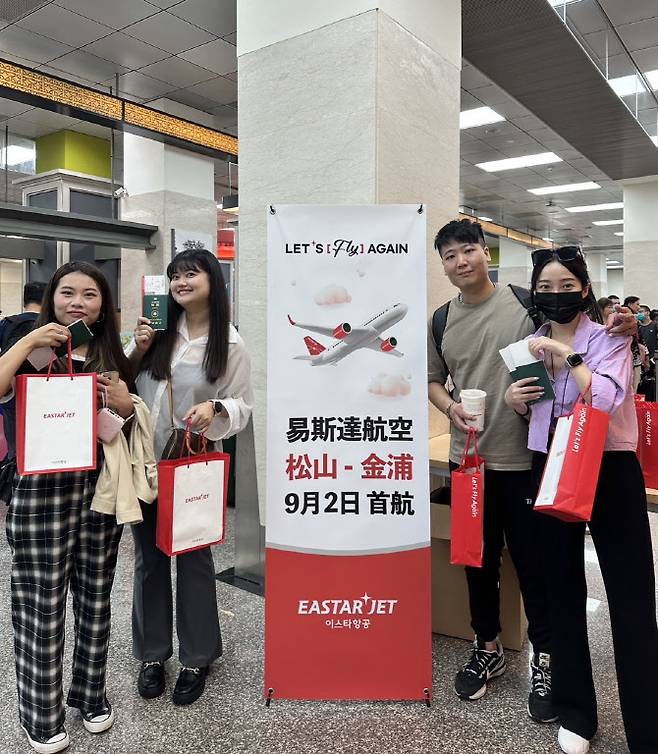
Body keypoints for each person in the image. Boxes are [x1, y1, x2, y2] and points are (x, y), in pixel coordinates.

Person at [427, 219, 637, 721]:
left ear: (486, 254)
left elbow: (586, 328)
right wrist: (449, 408)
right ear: (444, 264)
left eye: (470, 250)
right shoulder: (439, 319)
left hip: (527, 459)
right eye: (451, 255)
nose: (462, 261)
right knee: (475, 560)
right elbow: (434, 381)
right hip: (469, 459)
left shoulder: (529, 303)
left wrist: (628, 325)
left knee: (535, 566)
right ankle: (487, 645)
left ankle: (546, 658)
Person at [504, 246, 658, 754]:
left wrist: (568, 359)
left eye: (566, 286)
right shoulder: (529, 344)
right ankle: (575, 711)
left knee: (631, 594)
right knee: (559, 587)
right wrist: (514, 401)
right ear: (534, 293)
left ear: (585, 290)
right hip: (550, 462)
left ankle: (647, 725)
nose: (555, 295)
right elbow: (537, 411)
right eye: (545, 287)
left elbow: (608, 398)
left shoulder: (611, 336)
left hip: (609, 466)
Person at [0, 262, 135, 754]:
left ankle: (90, 694)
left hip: (99, 489)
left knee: (97, 598)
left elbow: (124, 420)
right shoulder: (24, 341)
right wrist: (27, 345)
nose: (78, 301)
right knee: (40, 603)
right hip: (38, 491)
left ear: (103, 307)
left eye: (90, 295)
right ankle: (41, 713)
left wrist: (122, 400)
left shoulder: (105, 351)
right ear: (52, 297)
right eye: (68, 292)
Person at [129, 248, 253, 706]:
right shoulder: (157, 330)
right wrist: (138, 348)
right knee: (148, 559)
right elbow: (126, 381)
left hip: (194, 464)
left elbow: (243, 406)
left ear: (212, 282)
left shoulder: (230, 342)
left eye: (191, 274)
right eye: (175, 276)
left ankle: (197, 656)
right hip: (146, 459)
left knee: (195, 559)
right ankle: (152, 654)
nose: (182, 282)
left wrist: (216, 407)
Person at [0, 281, 47, 460]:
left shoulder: (7, 323)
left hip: (10, 394)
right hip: (42, 398)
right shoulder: (51, 328)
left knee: (16, 447)